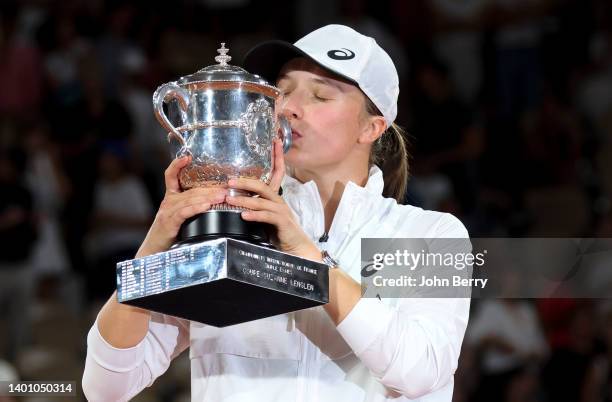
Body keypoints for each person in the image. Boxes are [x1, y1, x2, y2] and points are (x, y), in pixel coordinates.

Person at [82, 24, 471, 402]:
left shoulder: (434, 233)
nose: (290, 109)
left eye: (320, 96)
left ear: (372, 127)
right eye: (281, 93)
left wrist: (309, 262)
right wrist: (152, 251)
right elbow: (106, 388)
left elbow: (420, 371)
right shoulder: (229, 234)